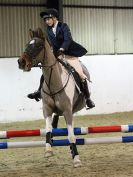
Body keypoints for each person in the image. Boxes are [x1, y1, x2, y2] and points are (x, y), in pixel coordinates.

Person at [27, 8, 95, 109]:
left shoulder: (63, 26)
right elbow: (52, 44)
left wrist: (62, 48)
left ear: (54, 18)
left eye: (48, 19)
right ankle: (38, 91)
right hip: (58, 55)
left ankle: (88, 98)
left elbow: (68, 39)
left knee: (80, 74)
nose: (47, 21)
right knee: (47, 72)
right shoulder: (49, 30)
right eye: (45, 20)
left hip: (70, 55)